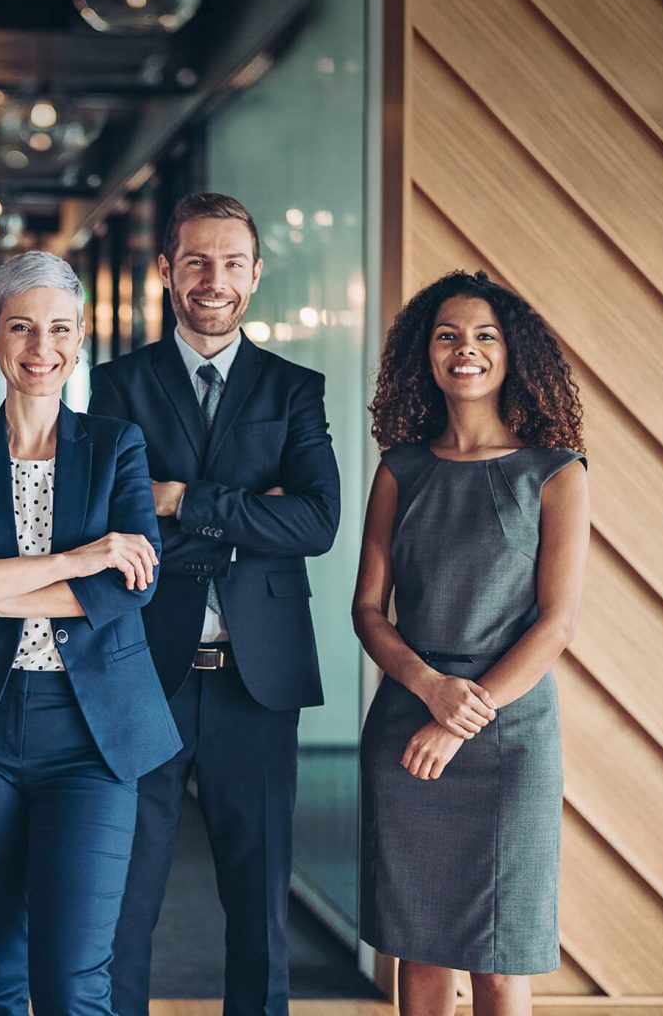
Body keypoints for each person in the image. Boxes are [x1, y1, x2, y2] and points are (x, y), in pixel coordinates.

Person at [0, 250, 181, 1015]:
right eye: (21, 328)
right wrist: (78, 558)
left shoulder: (116, 445)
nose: (40, 348)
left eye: (58, 328)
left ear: (80, 336)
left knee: (73, 979)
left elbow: (131, 587)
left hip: (92, 739)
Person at [90, 192, 341, 1016]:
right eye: (196, 260)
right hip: (142, 674)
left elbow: (317, 519)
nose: (214, 279)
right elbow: (112, 526)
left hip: (254, 679)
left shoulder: (294, 388)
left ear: (256, 273)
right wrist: (245, 511)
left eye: (232, 262)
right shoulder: (117, 387)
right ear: (165, 271)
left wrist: (183, 500)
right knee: (124, 902)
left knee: (259, 904)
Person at [354, 270, 588, 1016]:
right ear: (423, 355)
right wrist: (429, 690)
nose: (466, 350)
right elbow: (366, 610)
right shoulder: (400, 469)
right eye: (447, 335)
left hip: (508, 735)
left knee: (498, 956)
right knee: (417, 949)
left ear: (512, 352)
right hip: (406, 723)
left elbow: (554, 625)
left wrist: (461, 715)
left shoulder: (554, 472)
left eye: (485, 335)